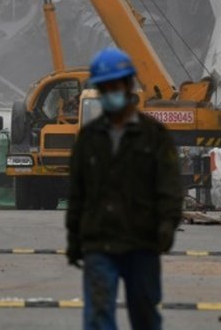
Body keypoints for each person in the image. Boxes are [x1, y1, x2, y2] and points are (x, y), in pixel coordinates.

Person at [66, 48, 183, 330]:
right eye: (103, 88)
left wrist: (167, 224)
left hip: (141, 242)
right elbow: (77, 193)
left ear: (129, 85)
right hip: (99, 243)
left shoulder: (155, 137)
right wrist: (74, 238)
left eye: (114, 86)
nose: (109, 93)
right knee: (98, 316)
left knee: (145, 315)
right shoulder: (88, 138)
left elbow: (169, 186)